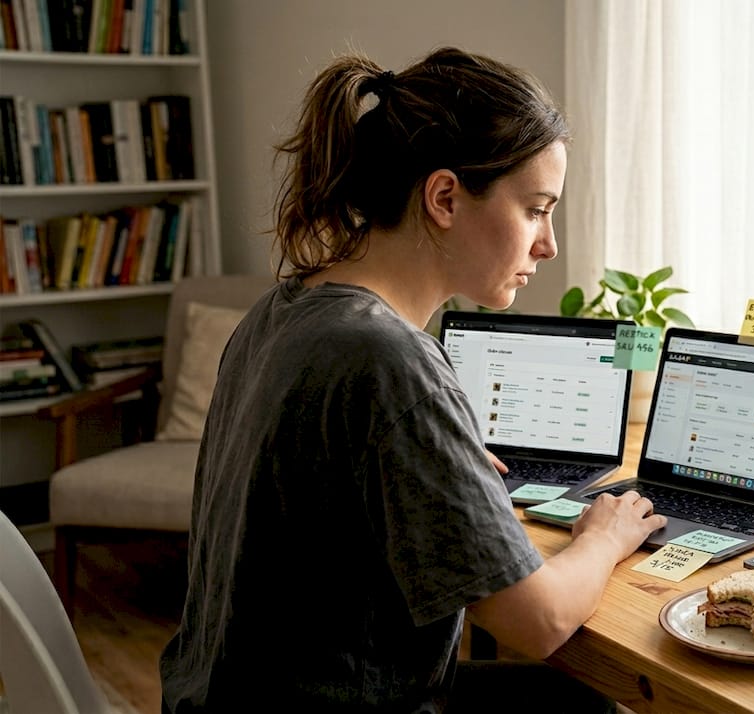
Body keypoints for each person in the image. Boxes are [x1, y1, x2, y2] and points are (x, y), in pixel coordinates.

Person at [159, 46, 667, 712]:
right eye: (536, 209)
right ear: (445, 197)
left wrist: (440, 462)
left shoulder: (278, 313)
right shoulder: (390, 359)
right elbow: (537, 622)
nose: (548, 245)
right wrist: (605, 537)